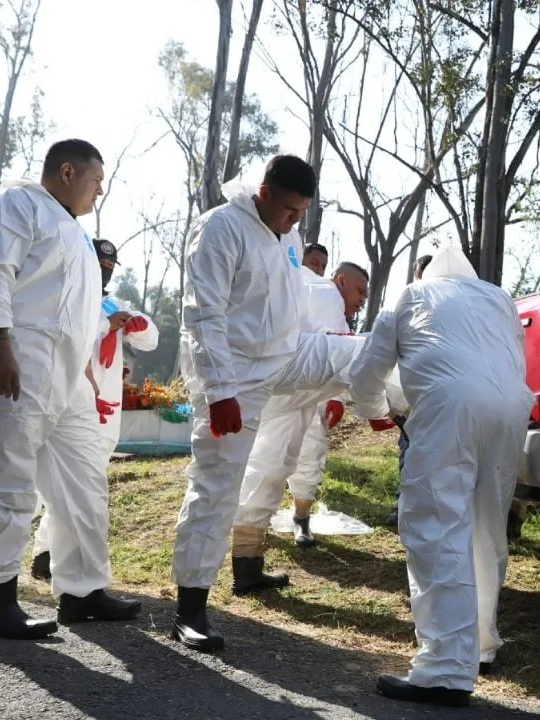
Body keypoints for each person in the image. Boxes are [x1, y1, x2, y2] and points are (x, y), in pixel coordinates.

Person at [172, 154, 365, 652]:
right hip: (234, 372)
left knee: (361, 354)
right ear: (262, 192)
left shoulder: (288, 234)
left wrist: (363, 396)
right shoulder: (219, 229)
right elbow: (204, 316)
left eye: (300, 212)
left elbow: (287, 301)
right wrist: (220, 393)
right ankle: (190, 607)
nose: (293, 221)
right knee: (217, 483)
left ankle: (396, 407)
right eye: (287, 210)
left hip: (288, 353)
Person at [0, 138, 142, 639]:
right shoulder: (13, 202)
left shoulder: (78, 235)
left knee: (85, 479)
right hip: (18, 359)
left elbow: (74, 310)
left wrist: (82, 364)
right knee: (6, 476)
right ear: (67, 171)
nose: (99, 192)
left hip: (68, 377)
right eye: (96, 181)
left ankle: (82, 592)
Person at [351, 245, 533, 707]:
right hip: (512, 408)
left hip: (450, 405)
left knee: (436, 528)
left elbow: (368, 370)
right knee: (488, 529)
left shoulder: (411, 295)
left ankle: (444, 671)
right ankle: (480, 645)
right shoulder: (498, 297)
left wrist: (375, 410)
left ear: (424, 272)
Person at [229, 261, 369, 588]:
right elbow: (324, 349)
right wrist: (340, 394)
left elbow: (313, 336)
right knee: (284, 461)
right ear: (341, 280)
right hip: (293, 386)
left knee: (272, 463)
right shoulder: (325, 293)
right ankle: (252, 560)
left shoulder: (302, 288)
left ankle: (248, 564)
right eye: (360, 290)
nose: (362, 299)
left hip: (282, 385)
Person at [30, 238, 160, 581]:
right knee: (55, 484)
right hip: (71, 402)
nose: (103, 272)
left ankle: (52, 556)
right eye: (98, 265)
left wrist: (137, 323)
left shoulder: (114, 304)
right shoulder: (69, 297)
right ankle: (37, 556)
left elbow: (150, 339)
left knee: (85, 486)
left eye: (109, 268)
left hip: (107, 409)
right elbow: (72, 336)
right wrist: (108, 325)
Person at [383, 253, 431, 528]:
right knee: (408, 451)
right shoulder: (407, 305)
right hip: (411, 398)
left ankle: (424, 508)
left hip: (439, 398)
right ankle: (404, 505)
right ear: (416, 276)